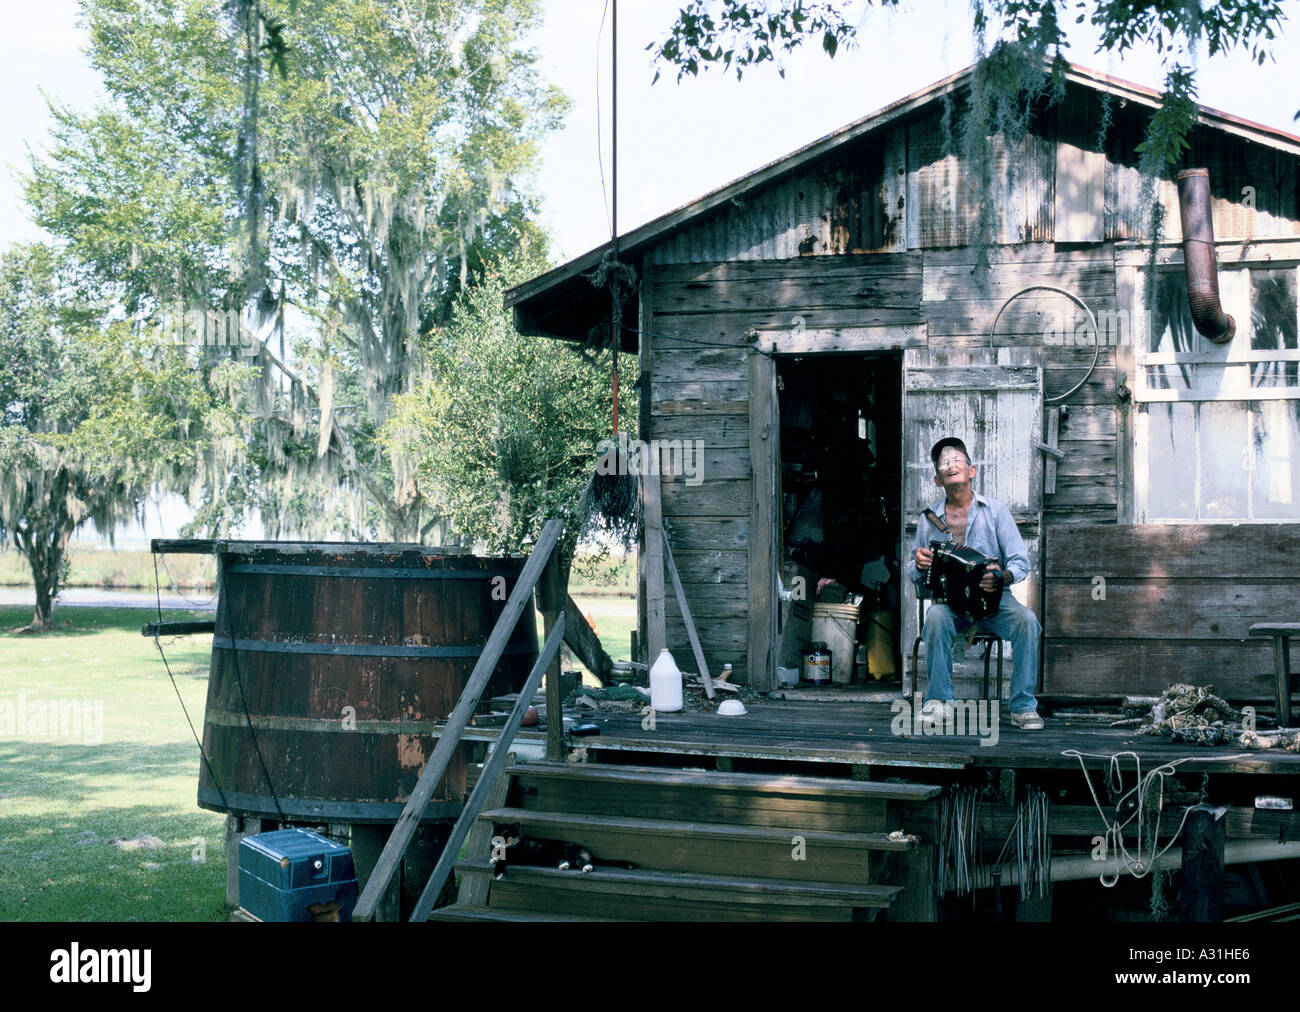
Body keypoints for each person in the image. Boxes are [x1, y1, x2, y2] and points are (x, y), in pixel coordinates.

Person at [906, 436, 1044, 730]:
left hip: (994, 602)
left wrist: (1002, 577)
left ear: (972, 471)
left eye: (957, 460)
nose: (951, 464)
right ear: (937, 479)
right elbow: (914, 573)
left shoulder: (995, 511)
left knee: (1027, 621)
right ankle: (939, 702)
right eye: (944, 463)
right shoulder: (929, 520)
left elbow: (1021, 563)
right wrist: (917, 563)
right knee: (935, 616)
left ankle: (1022, 707)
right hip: (950, 605)